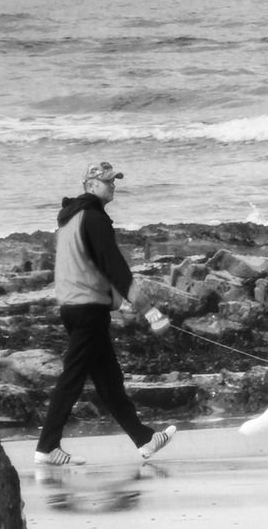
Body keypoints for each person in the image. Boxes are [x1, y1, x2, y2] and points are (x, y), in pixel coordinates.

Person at [34, 160, 177, 466]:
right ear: (90, 185)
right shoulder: (94, 218)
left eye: (115, 180)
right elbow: (115, 268)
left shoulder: (70, 219)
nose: (114, 185)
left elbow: (93, 265)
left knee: (109, 380)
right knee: (72, 378)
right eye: (108, 181)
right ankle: (46, 447)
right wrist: (149, 311)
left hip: (74, 307)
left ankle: (145, 439)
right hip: (87, 310)